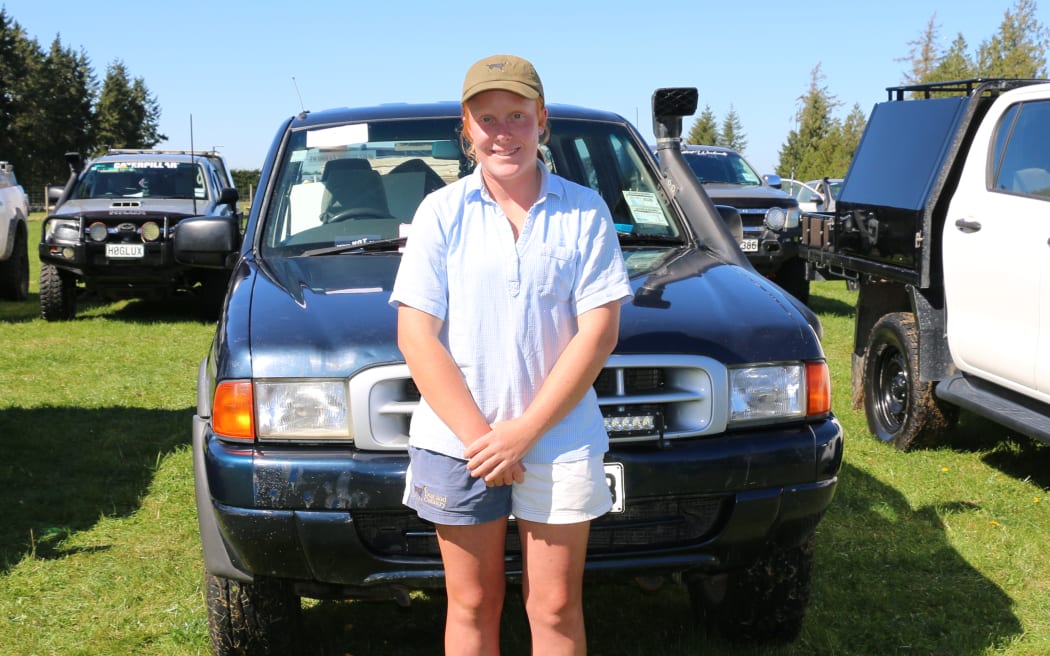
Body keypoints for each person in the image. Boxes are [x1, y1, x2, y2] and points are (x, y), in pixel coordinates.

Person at [389, 54, 633, 656]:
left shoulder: (585, 212)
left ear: (541, 120)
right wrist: (484, 440)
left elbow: (598, 333)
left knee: (555, 607)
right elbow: (416, 336)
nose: (504, 132)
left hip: (559, 440)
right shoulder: (440, 214)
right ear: (466, 128)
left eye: (517, 116)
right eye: (488, 118)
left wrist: (522, 434)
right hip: (459, 444)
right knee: (472, 604)